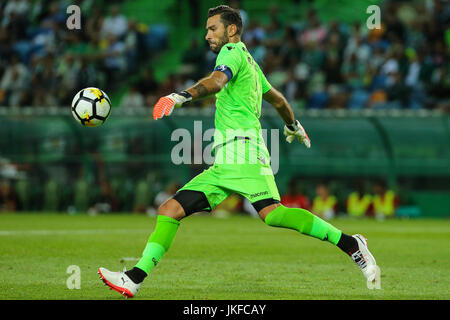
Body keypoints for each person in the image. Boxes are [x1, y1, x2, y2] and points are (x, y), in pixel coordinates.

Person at [98, 5, 380, 298]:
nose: (207, 35)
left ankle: (351, 244)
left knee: (272, 214)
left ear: (231, 30)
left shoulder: (231, 53)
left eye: (213, 29)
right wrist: (293, 124)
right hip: (225, 162)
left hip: (244, 153)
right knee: (170, 210)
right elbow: (279, 100)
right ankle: (134, 278)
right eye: (207, 29)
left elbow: (216, 82)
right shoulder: (251, 64)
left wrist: (179, 96)